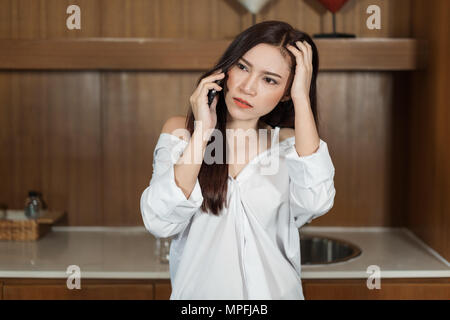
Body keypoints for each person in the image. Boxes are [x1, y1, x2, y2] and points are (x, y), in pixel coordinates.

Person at [140, 20, 336, 300]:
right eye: (242, 67)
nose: (247, 87)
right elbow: (159, 221)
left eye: (270, 80)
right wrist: (203, 132)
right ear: (226, 69)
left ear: (286, 94)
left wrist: (302, 99)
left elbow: (317, 201)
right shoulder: (181, 133)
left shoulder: (292, 146)